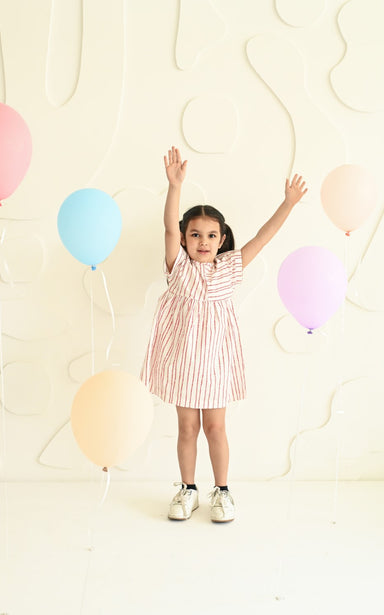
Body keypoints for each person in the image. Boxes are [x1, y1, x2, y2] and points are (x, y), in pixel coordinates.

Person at [141, 146, 307, 523]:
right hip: (183, 361)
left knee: (216, 427)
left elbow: (263, 238)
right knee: (187, 427)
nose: (203, 241)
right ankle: (187, 489)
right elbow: (168, 226)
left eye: (211, 235)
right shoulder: (178, 268)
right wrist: (174, 187)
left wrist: (289, 204)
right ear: (184, 239)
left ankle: (222, 491)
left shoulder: (229, 268)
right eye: (195, 234)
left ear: (221, 239)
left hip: (215, 363)